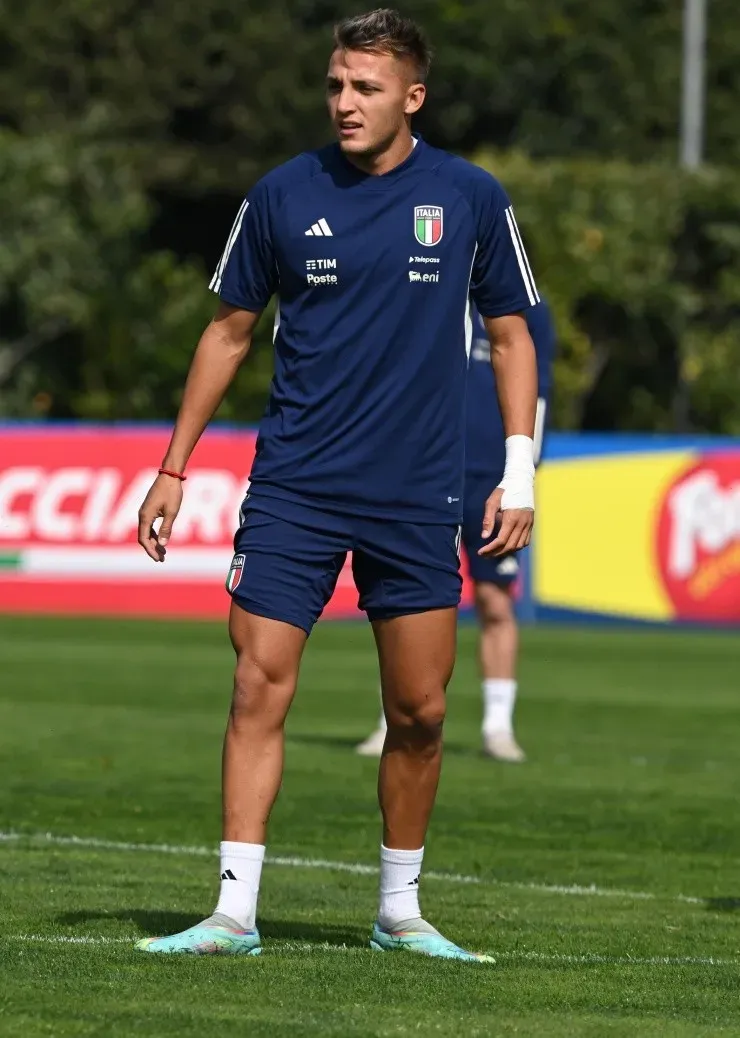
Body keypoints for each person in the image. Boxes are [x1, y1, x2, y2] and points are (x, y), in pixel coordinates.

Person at [135, 7, 539, 962]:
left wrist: (518, 472)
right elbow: (229, 331)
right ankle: (233, 912)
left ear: (414, 95)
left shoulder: (471, 196)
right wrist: (172, 466)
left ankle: (400, 910)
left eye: (365, 87)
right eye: (334, 85)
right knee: (256, 685)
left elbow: (514, 335)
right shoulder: (281, 193)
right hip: (296, 489)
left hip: (417, 495)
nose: (345, 103)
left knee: (422, 710)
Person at [356, 300, 555, 762]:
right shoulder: (427, 287)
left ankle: (498, 727)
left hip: (491, 478)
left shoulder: (527, 309)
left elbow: (539, 390)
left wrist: (523, 474)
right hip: (423, 472)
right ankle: (392, 720)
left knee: (494, 599)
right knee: (403, 603)